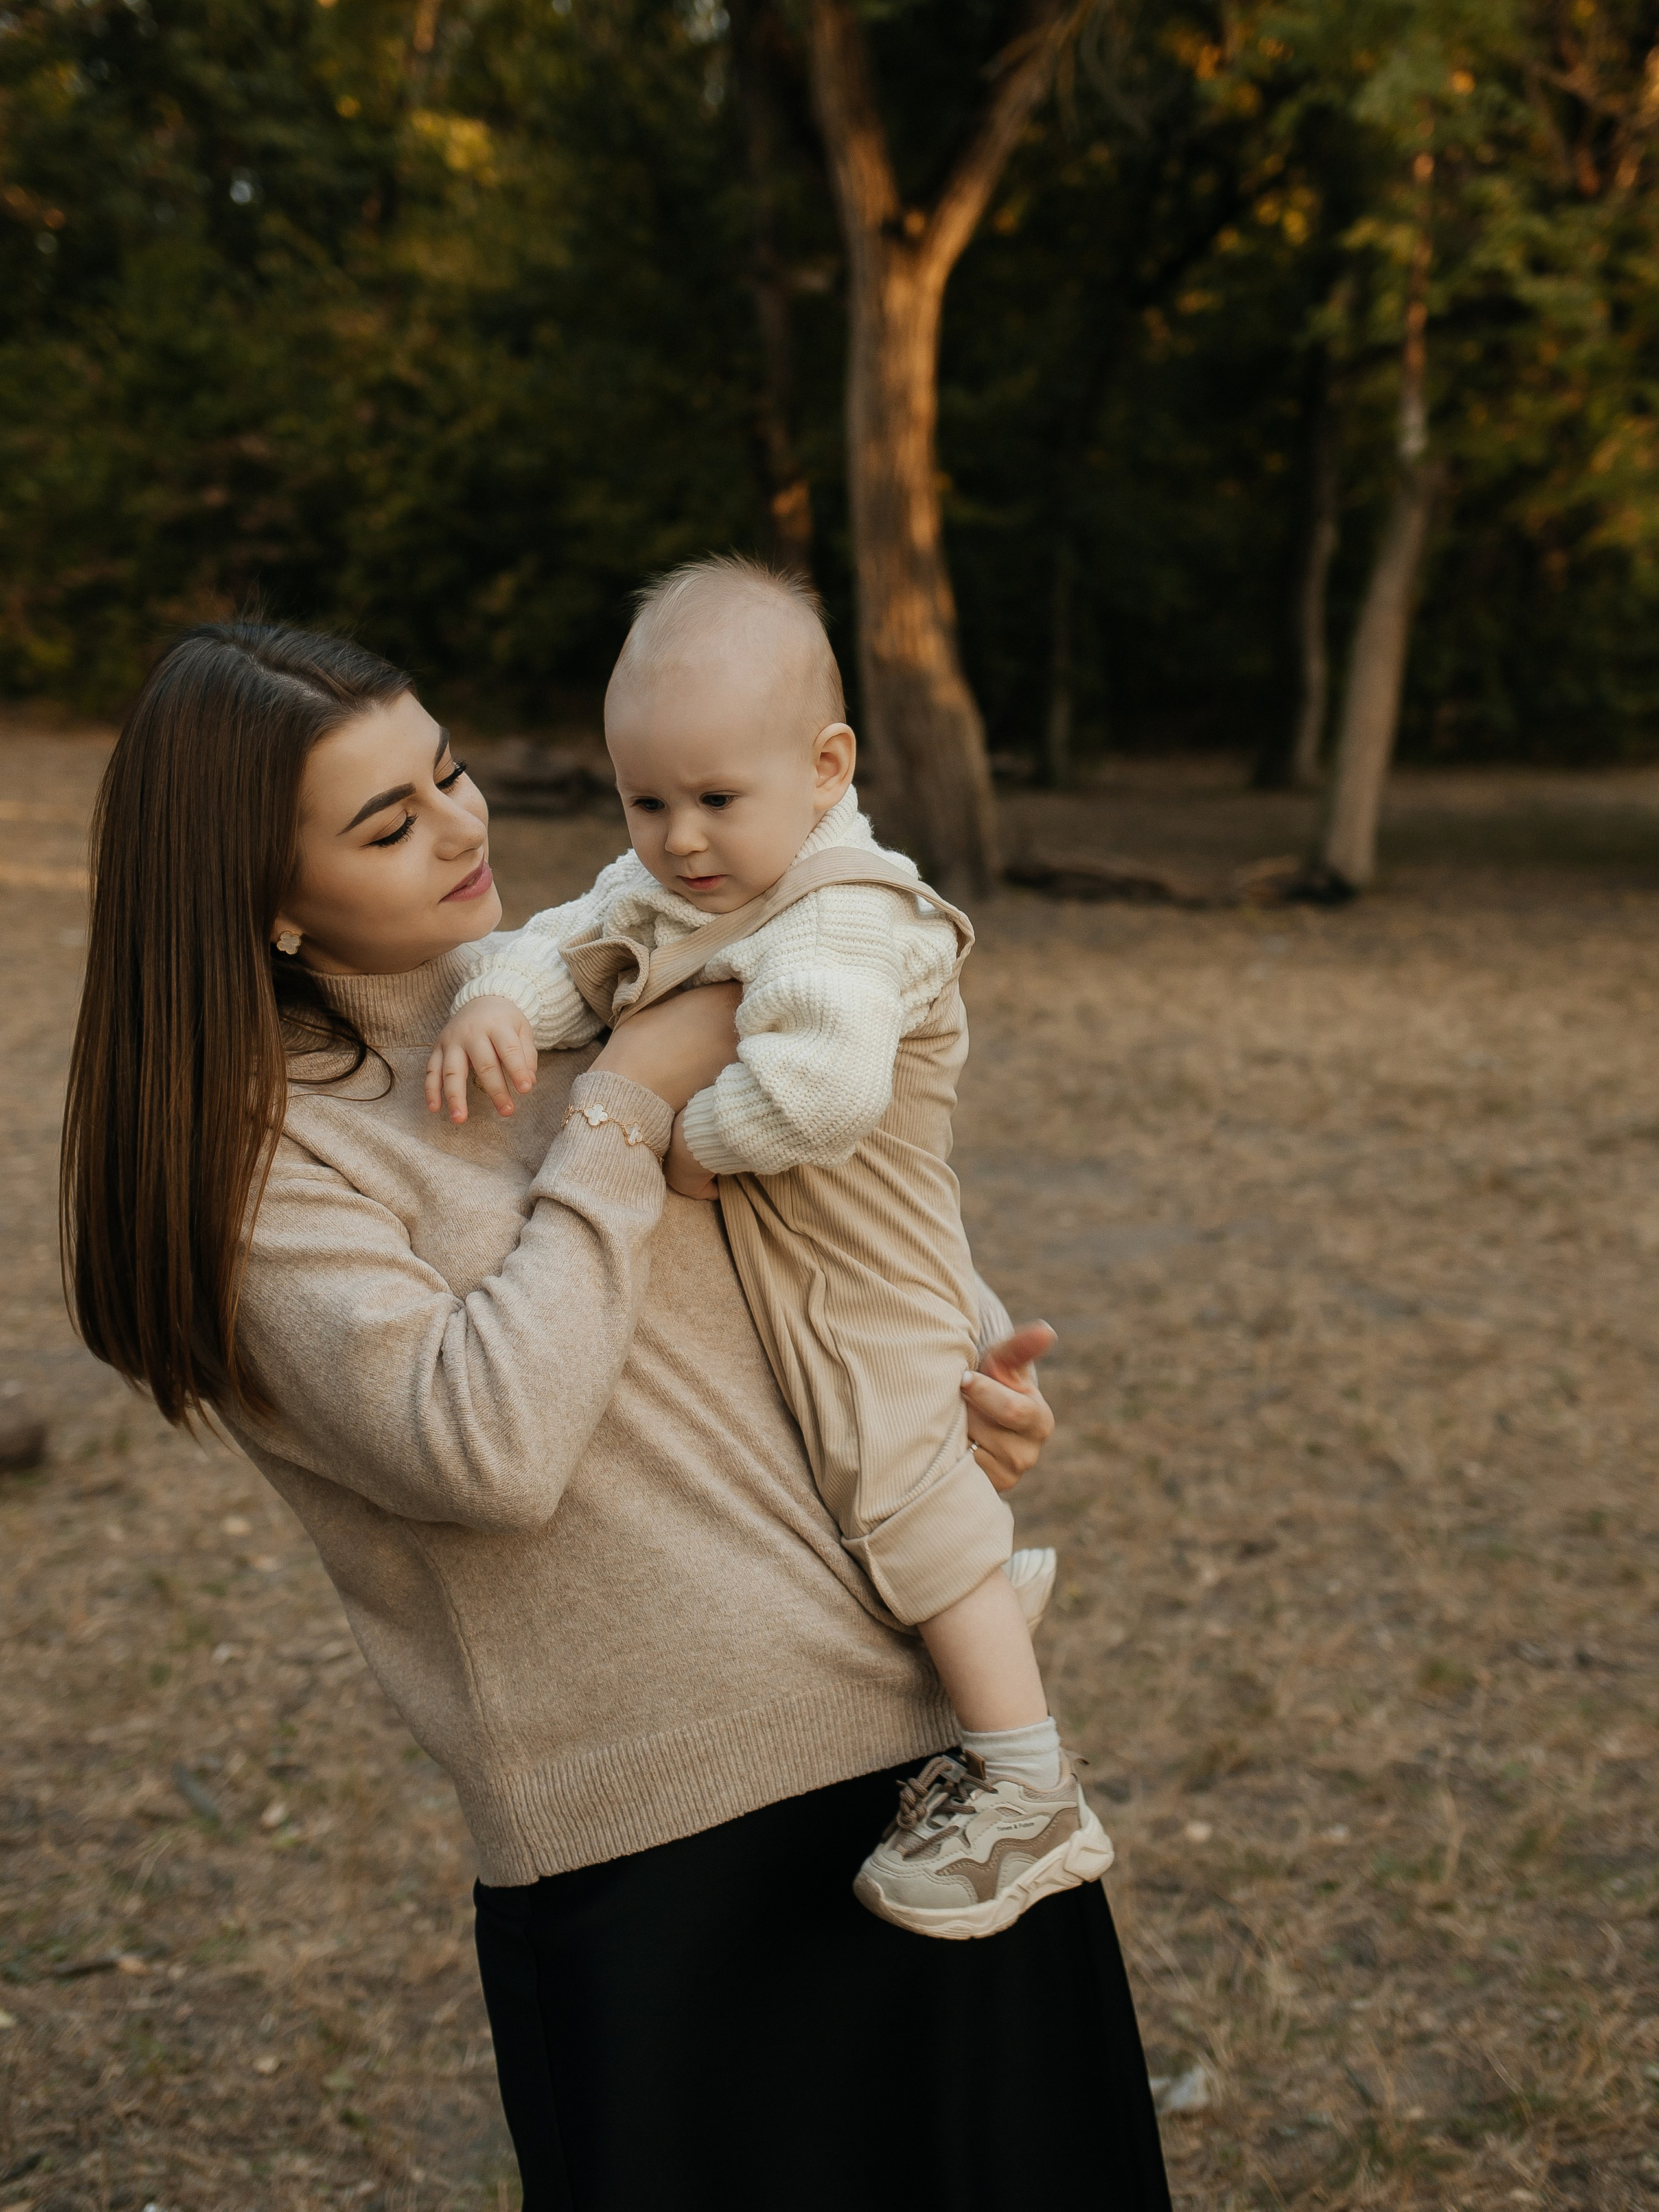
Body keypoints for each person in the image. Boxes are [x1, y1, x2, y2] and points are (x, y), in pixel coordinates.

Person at [61, 620, 1171, 2211]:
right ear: (263, 898)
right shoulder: (267, 1162)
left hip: (929, 1772)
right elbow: (485, 1446)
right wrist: (624, 1106)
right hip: (657, 1858)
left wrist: (955, 1388)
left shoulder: (594, 985)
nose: (462, 826)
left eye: (446, 773)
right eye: (387, 823)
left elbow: (798, 1266)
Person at [430, 556, 1108, 1939]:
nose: (678, 840)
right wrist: (495, 1001)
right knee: (866, 1480)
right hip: (818, 1275)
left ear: (824, 766)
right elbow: (561, 943)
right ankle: (960, 1588)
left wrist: (685, 1142)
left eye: (715, 800)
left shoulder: (845, 915)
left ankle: (1031, 1794)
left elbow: (822, 1089)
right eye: (646, 800)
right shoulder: (683, 884)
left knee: (897, 1485)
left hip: (871, 1276)